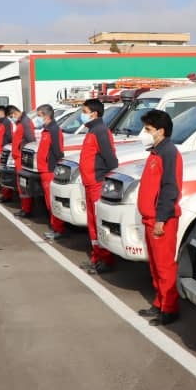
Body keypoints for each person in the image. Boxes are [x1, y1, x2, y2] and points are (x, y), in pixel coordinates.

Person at [135, 109, 183, 326]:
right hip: (150, 218)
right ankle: (159, 301)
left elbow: (170, 189)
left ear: (161, 131)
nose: (144, 133)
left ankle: (169, 308)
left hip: (160, 220)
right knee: (155, 265)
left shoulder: (169, 153)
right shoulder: (155, 152)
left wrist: (161, 220)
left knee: (164, 266)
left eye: (148, 129)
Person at [79, 98, 119, 273]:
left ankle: (105, 259)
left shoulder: (100, 131)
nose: (82, 115)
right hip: (89, 183)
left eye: (84, 111)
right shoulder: (92, 130)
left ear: (94, 113)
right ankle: (97, 257)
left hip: (96, 183)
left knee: (98, 222)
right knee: (92, 223)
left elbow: (110, 159)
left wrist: (105, 179)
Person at [35, 104, 66, 240]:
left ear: (45, 115)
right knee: (48, 201)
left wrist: (54, 166)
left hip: (49, 170)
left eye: (39, 116)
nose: (37, 119)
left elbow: (58, 151)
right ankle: (55, 227)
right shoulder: (47, 130)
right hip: (44, 169)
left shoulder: (54, 130)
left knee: (52, 201)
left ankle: (57, 229)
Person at [5, 105, 37, 218]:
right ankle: (24, 207)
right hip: (18, 157)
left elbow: (31, 140)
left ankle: (27, 209)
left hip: (22, 158)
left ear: (13, 113)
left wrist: (21, 148)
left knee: (23, 185)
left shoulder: (25, 122)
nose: (11, 119)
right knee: (21, 184)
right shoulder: (21, 122)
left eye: (10, 116)